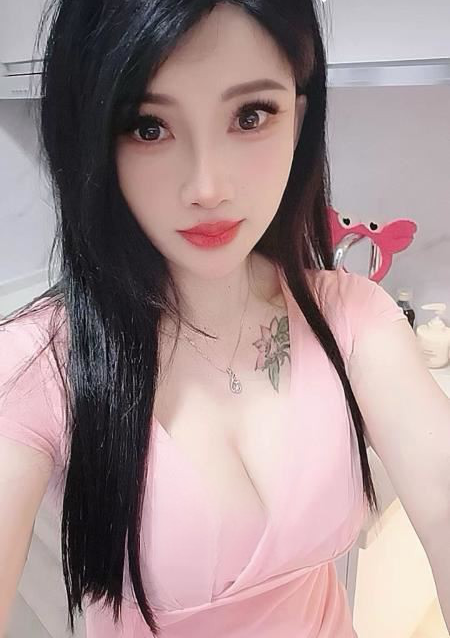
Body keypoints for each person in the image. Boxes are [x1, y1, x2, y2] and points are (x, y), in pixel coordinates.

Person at [1, 1, 449, 637]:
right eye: (148, 127)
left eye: (250, 115)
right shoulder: (37, 365)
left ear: (298, 117)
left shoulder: (351, 318)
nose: (207, 186)